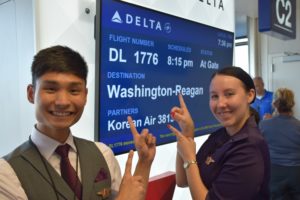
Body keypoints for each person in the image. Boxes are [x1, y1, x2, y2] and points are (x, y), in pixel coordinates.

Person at [0, 45, 156, 200]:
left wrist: (144, 163)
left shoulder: (103, 154)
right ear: (31, 93)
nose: (62, 101)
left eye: (74, 91)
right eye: (51, 89)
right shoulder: (6, 173)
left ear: (85, 95)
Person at [168, 66, 270, 200]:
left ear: (250, 95)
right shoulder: (219, 136)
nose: (221, 104)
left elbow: (190, 166)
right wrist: (187, 134)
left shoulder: (249, 148)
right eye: (214, 96)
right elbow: (183, 181)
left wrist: (189, 158)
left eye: (229, 94)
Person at [259, 88, 300, 200]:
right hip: (296, 173)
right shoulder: (298, 126)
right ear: (292, 104)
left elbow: (259, 148)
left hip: (274, 172)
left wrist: (268, 121)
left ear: (274, 103)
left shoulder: (264, 125)